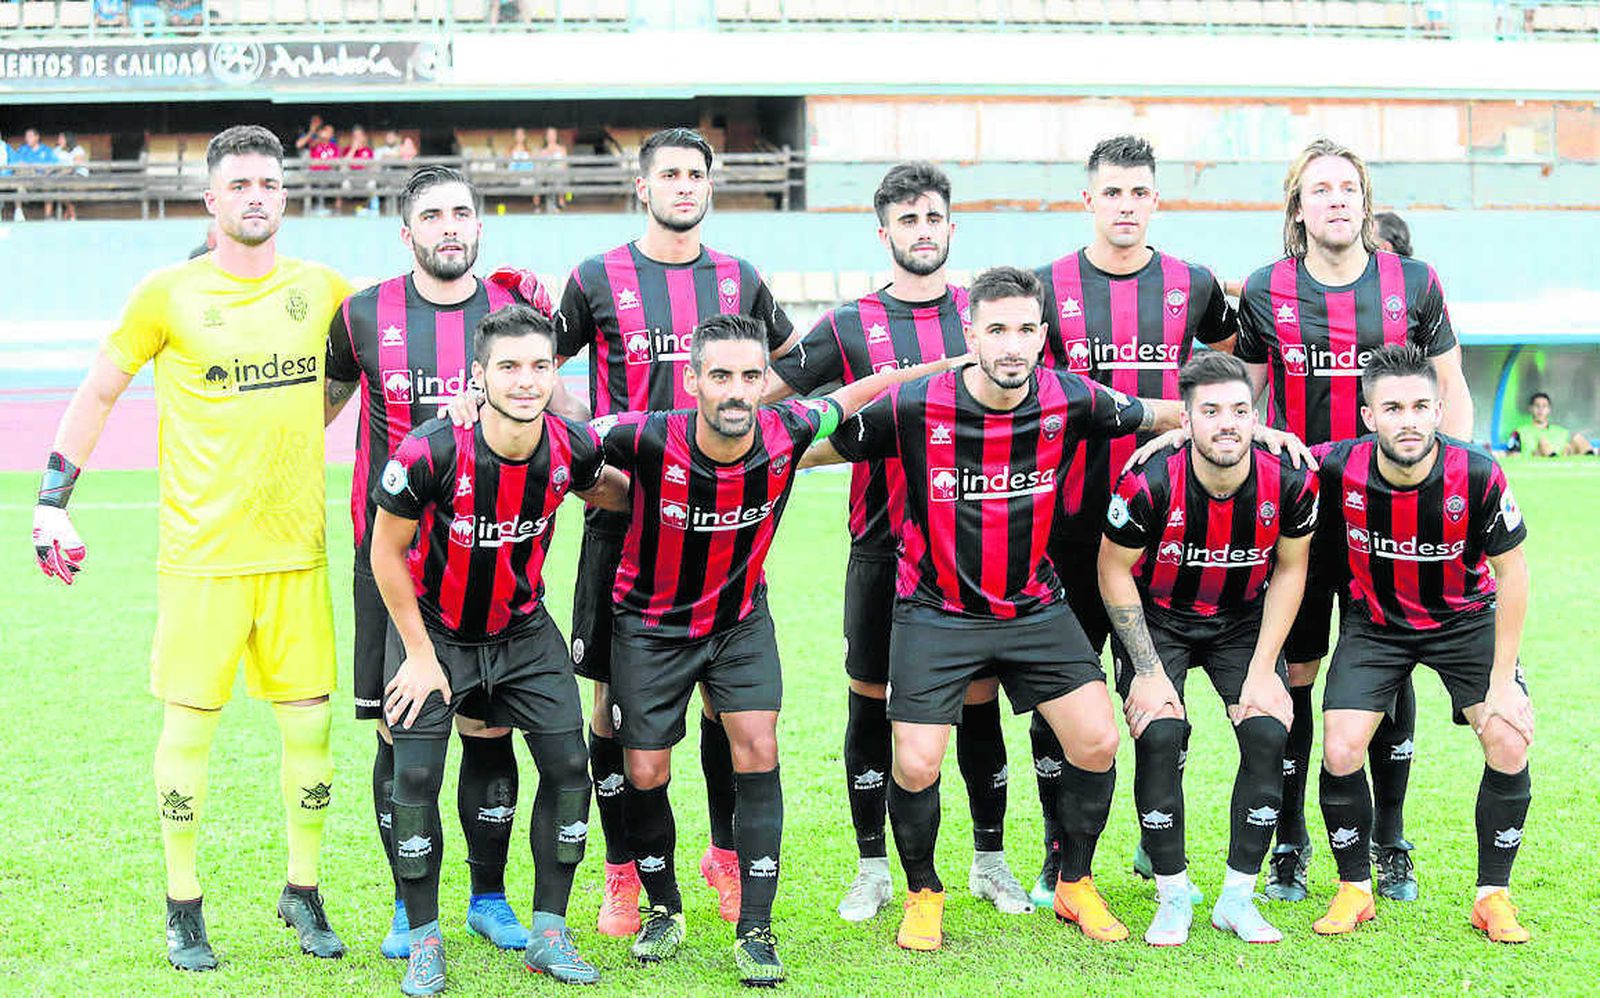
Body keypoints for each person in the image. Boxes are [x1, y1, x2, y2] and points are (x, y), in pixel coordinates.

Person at [30, 124, 353, 971]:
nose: (256, 196)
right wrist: (50, 503)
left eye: (269, 184)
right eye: (238, 184)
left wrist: (303, 422)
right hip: (203, 560)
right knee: (188, 735)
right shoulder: (166, 294)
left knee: (313, 730)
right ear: (211, 200)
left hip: (297, 556)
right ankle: (184, 904)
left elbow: (369, 360)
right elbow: (100, 391)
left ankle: (303, 890)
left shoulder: (323, 289)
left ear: (287, 196)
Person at [807, 266, 1182, 950]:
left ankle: (1074, 882)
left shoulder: (1070, 398)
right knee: (916, 763)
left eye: (1026, 331)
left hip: (1035, 607)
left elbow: (1159, 413)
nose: (1013, 345)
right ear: (971, 333)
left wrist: (1247, 426)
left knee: (1097, 739)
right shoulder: (918, 403)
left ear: (1043, 336)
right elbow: (819, 443)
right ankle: (924, 893)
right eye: (997, 330)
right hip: (935, 610)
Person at [597, 313, 950, 985]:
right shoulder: (643, 435)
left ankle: (756, 928)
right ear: (692, 379)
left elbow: (870, 388)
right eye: (721, 375)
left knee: (758, 747)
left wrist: (951, 370)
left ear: (767, 383)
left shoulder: (787, 429)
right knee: (645, 772)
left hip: (737, 623)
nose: (735, 391)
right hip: (649, 626)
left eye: (750, 376)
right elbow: (557, 443)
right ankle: (663, 908)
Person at [762, 161, 1028, 921]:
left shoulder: (986, 319)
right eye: (906, 220)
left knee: (977, 704)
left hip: (974, 545)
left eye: (932, 218)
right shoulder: (850, 324)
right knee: (870, 705)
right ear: (885, 233)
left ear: (951, 227)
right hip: (880, 544)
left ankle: (989, 860)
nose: (921, 231)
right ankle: (873, 869)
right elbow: (765, 392)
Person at [551, 126, 796, 939]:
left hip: (717, 522)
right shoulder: (595, 277)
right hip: (623, 522)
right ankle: (624, 872)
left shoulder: (741, 278)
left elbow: (788, 363)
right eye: (670, 174)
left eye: (697, 174)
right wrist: (596, 442)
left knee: (734, 709)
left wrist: (751, 441)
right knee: (613, 709)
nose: (684, 186)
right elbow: (538, 371)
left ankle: (727, 858)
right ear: (642, 185)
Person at [324, 165, 566, 960]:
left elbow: (559, 416)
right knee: (400, 737)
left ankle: (490, 898)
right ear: (408, 232)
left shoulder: (513, 317)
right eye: (433, 216)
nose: (450, 226)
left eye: (462, 212)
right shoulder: (361, 315)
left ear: (481, 224)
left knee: (489, 727)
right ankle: (408, 906)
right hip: (391, 563)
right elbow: (320, 410)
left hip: (493, 559)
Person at [1234, 138, 1474, 904]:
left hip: (1396, 515)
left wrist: (1456, 482)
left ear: (1364, 201)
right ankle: (1292, 841)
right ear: (1297, 207)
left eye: (1347, 187)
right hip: (1302, 519)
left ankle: (1390, 838)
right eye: (1319, 189)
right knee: (1296, 675)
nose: (1335, 199)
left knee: (1389, 664)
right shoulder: (1267, 290)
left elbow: (1452, 387)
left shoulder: (1416, 281)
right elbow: (1249, 399)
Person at [370, 305, 628, 994]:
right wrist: (419, 656)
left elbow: (614, 490)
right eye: (508, 367)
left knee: (571, 767)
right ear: (478, 375)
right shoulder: (431, 451)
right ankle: (424, 938)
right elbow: (385, 554)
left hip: (521, 631)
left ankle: (549, 931)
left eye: (540, 366)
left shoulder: (570, 446)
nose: (525, 380)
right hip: (436, 633)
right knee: (415, 779)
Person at [1026, 135, 1241, 905]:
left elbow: (1230, 361)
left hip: (1168, 527)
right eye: (1111, 192)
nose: (1125, 205)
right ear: (1088, 200)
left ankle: (1158, 844)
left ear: (1156, 200)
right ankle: (1061, 850)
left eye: (1138, 192)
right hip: (1068, 523)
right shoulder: (1048, 287)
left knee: (1160, 690)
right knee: (1062, 693)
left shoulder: (1194, 282)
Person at [1308, 344, 1533, 944]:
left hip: (1465, 620)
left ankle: (1493, 896)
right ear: (1368, 415)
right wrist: (1170, 437)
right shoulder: (1336, 465)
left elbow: (1514, 574)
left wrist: (1503, 678)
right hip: (1377, 624)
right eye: (1393, 407)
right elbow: (1262, 455)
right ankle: (1355, 888)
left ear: (1438, 411)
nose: (1407, 419)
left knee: (1508, 739)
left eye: (1419, 406)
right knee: (1340, 748)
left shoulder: (1478, 472)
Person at [1099, 352, 1317, 946]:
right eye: (1211, 411)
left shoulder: (1292, 478)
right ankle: (1171, 895)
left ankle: (1237, 900)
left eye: (1240, 411)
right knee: (1161, 730)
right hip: (1160, 617)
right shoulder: (1148, 479)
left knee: (1270, 728)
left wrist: (1266, 669)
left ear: (1256, 417)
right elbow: (1113, 571)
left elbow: (1292, 570)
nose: (1227, 423)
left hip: (1243, 618)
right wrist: (1145, 670)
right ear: (1185, 420)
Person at [1508, 391, 1595, 456]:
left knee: (1578, 438)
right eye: (1537, 406)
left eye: (1544, 406)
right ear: (1531, 409)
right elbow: (1512, 457)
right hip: (1537, 466)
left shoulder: (1561, 432)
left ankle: (1594, 466)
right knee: (1543, 442)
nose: (1540, 410)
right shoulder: (1520, 432)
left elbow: (1569, 450)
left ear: (1549, 410)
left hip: (1565, 465)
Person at [55, 131, 87, 221]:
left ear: (68, 139)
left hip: (78, 175)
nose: (59, 140)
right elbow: (52, 162)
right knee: (62, 188)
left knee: (66, 189)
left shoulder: (78, 149)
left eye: (61, 138)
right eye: (59, 138)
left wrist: (60, 174)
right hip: (62, 176)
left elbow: (75, 166)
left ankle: (70, 215)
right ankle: (71, 216)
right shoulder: (58, 150)